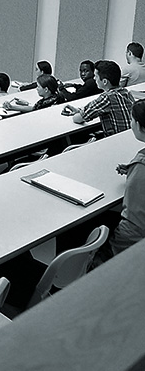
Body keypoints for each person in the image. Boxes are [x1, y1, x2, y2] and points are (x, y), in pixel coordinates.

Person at [92, 100, 145, 264]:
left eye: (131, 120)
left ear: (139, 125)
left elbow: (135, 223)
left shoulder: (142, 165)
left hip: (132, 245)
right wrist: (132, 170)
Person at [65, 60, 135, 137]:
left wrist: (79, 113)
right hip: (130, 137)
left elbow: (77, 119)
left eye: (96, 76)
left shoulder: (107, 98)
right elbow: (94, 105)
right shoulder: (126, 92)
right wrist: (81, 110)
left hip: (116, 140)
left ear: (104, 81)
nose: (94, 79)